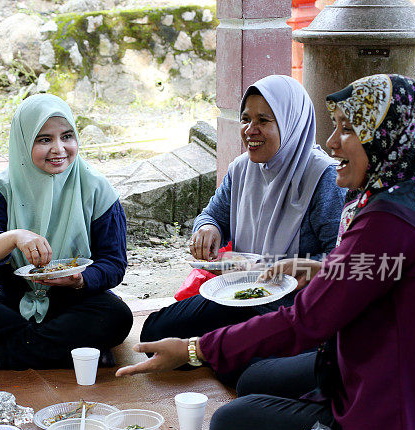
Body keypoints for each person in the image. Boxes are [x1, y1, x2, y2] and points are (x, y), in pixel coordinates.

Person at [116, 74, 415, 430]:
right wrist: (327, 272)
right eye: (335, 126)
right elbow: (394, 273)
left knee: (232, 423)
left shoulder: (382, 217)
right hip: (387, 370)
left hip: (397, 420)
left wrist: (194, 350)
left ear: (386, 137)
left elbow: (305, 322)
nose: (332, 142)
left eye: (349, 129)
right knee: (253, 378)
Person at [141, 75, 345, 366]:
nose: (251, 130)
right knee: (155, 332)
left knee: (247, 368)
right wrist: (208, 229)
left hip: (289, 307)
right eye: (245, 119)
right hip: (240, 292)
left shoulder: (323, 178)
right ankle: (229, 351)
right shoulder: (242, 169)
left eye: (264, 120)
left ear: (291, 123)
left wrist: (294, 270)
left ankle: (236, 353)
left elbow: (338, 259)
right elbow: (213, 215)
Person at [0, 94, 133, 376]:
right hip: (12, 301)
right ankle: (72, 352)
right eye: (44, 140)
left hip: (75, 300)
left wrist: (79, 279)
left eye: (67, 136)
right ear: (23, 141)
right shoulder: (1, 188)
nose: (59, 149)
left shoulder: (97, 188)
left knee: (115, 317)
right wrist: (14, 236)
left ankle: (1, 356)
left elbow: (113, 264)